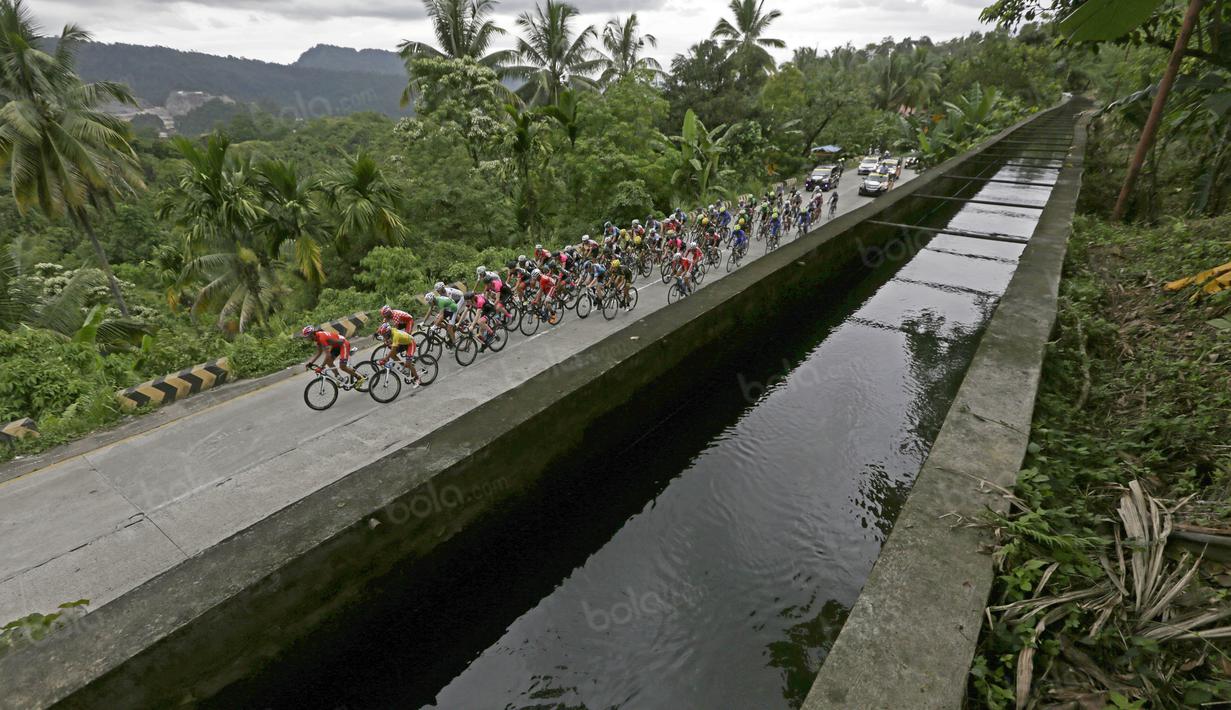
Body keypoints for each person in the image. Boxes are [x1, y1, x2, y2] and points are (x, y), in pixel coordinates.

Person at [375, 322, 421, 389]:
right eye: (383, 335)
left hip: (410, 343)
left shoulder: (395, 335)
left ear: (388, 333)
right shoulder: (390, 331)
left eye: (385, 335)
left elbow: (393, 350)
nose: (384, 337)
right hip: (403, 342)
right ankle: (405, 367)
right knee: (392, 355)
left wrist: (385, 359)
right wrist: (378, 335)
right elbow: (382, 331)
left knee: (408, 363)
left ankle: (417, 378)